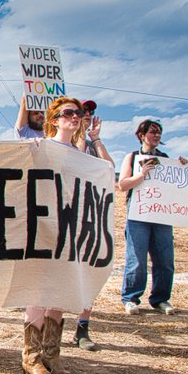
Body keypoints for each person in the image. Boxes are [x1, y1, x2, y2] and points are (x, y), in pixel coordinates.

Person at [19, 96, 90, 374]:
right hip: (43, 225)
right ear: (54, 120)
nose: (75, 117)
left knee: (59, 290)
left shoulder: (81, 153)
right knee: (38, 290)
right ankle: (31, 357)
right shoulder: (41, 147)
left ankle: (52, 354)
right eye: (68, 113)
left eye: (78, 113)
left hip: (68, 227)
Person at [117, 119, 186, 315]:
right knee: (136, 258)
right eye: (153, 132)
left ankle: (161, 299)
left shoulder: (166, 159)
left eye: (159, 132)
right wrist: (142, 176)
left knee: (165, 259)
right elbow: (122, 185)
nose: (156, 135)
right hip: (138, 214)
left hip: (162, 215)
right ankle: (130, 298)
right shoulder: (132, 157)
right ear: (141, 135)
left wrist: (182, 168)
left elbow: (176, 186)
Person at [71, 100, 114, 350]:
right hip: (65, 216)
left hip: (89, 216)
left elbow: (109, 168)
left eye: (89, 113)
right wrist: (80, 136)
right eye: (80, 113)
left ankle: (82, 328)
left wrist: (95, 139)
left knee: (88, 271)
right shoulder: (63, 143)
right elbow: (76, 160)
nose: (86, 116)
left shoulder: (92, 145)